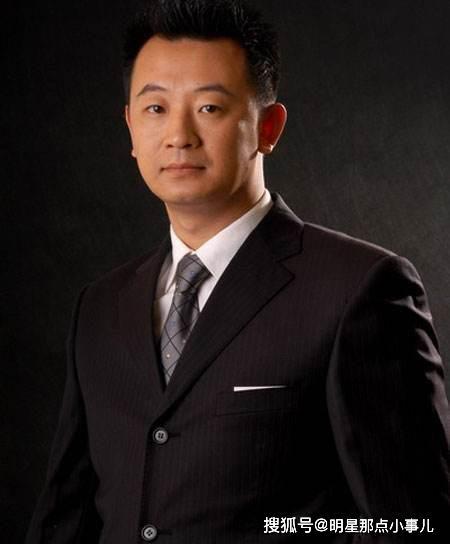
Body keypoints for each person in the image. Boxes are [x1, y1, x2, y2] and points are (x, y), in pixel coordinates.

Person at [26, 0, 449, 542]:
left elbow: (412, 523)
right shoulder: (100, 307)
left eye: (209, 107)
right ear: (130, 127)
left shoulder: (358, 289)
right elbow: (64, 520)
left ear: (268, 126)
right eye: (155, 108)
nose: (178, 135)